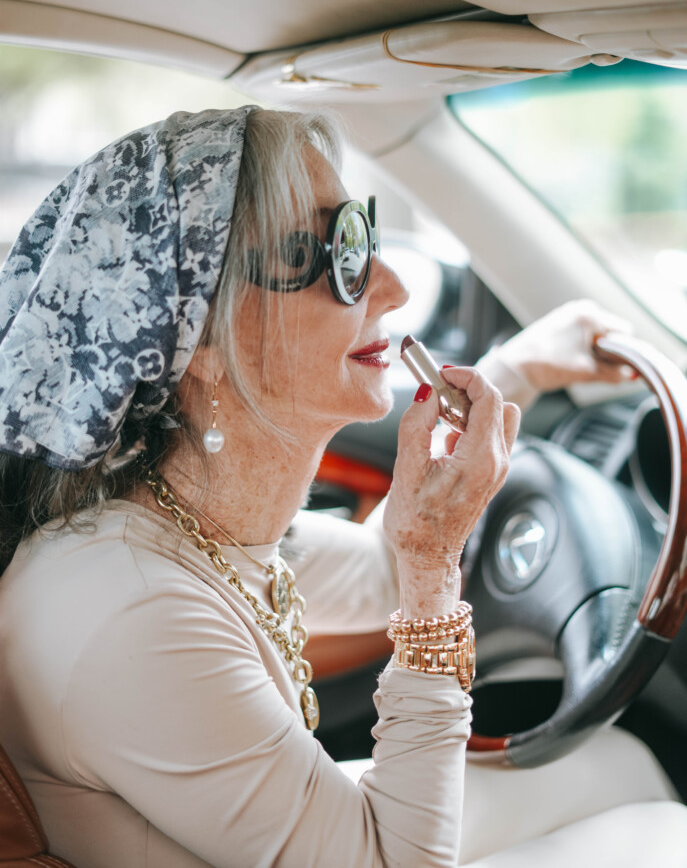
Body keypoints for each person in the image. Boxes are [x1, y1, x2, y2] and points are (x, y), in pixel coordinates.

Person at [0, 107, 683, 868]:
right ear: (196, 343)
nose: (389, 286)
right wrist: (432, 562)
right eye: (319, 253)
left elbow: (372, 572)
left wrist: (509, 375)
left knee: (619, 767)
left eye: (359, 233)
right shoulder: (133, 607)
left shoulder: (190, 520)